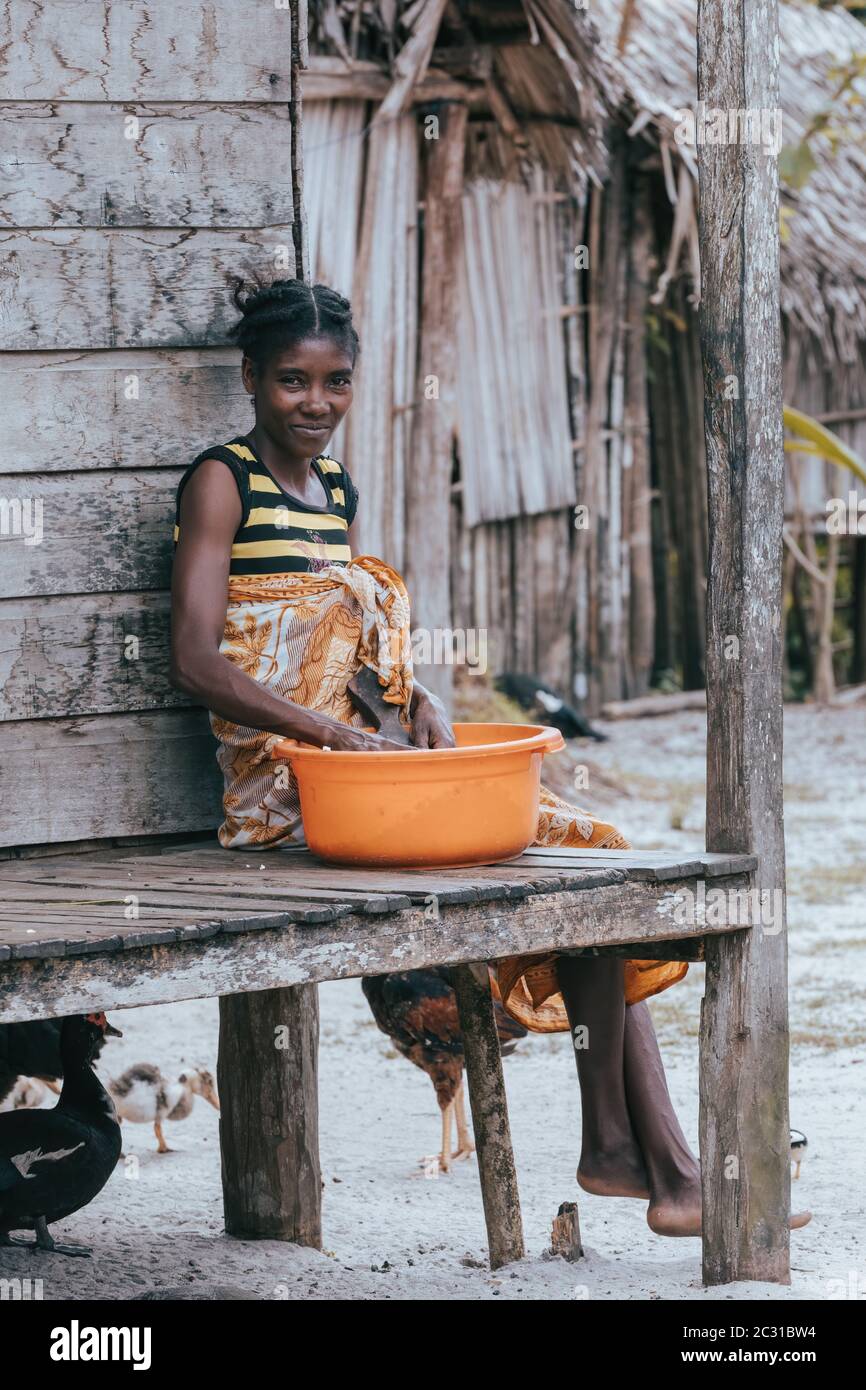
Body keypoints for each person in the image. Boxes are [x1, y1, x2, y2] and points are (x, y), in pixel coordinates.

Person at [170, 276, 810, 1237]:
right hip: (283, 792)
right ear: (253, 379)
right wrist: (327, 734)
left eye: (336, 383)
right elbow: (197, 656)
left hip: (354, 768)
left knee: (590, 857)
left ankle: (624, 1149)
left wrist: (410, 695)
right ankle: (661, 1167)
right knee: (565, 868)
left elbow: (344, 647)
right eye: (294, 382)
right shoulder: (221, 480)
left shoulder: (334, 489)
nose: (316, 405)